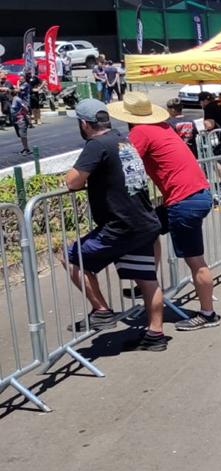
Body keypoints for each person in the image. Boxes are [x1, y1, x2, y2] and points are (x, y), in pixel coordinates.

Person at [107, 92, 221, 331]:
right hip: (193, 194)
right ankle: (148, 280)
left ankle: (208, 314)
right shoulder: (162, 127)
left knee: (195, 260)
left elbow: (124, 164)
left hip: (185, 201)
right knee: (151, 228)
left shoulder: (140, 132)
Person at [61, 99, 167, 351]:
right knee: (147, 279)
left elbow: (73, 181)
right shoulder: (123, 140)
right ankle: (156, 334)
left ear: (84, 124)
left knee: (72, 257)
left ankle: (101, 310)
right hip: (144, 221)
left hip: (121, 225)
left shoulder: (96, 144)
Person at [10, 90, 32, 156]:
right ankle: (25, 148)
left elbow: (25, 108)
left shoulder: (17, 99)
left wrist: (24, 114)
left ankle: (27, 150)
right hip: (15, 120)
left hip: (21, 120)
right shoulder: (13, 100)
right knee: (20, 135)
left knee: (23, 135)